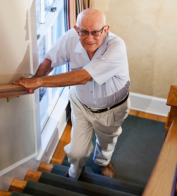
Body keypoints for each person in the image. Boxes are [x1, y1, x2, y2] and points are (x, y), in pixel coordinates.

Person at [13, 8, 130, 179]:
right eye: (84, 32)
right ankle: (75, 172)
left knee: (106, 144)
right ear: (77, 29)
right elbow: (50, 59)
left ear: (106, 29)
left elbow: (83, 77)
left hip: (111, 109)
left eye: (96, 32)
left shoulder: (117, 47)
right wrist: (36, 79)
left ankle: (103, 162)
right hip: (81, 105)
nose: (89, 38)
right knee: (76, 151)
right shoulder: (71, 37)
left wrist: (39, 82)